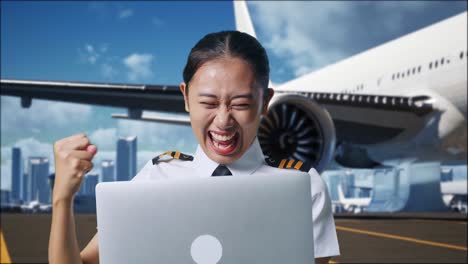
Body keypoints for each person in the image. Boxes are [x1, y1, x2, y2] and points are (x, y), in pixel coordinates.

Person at [48, 30, 340, 264]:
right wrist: (62, 198)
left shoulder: (303, 186)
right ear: (186, 98)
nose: (223, 120)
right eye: (208, 103)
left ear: (265, 103)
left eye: (240, 104)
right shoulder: (156, 178)